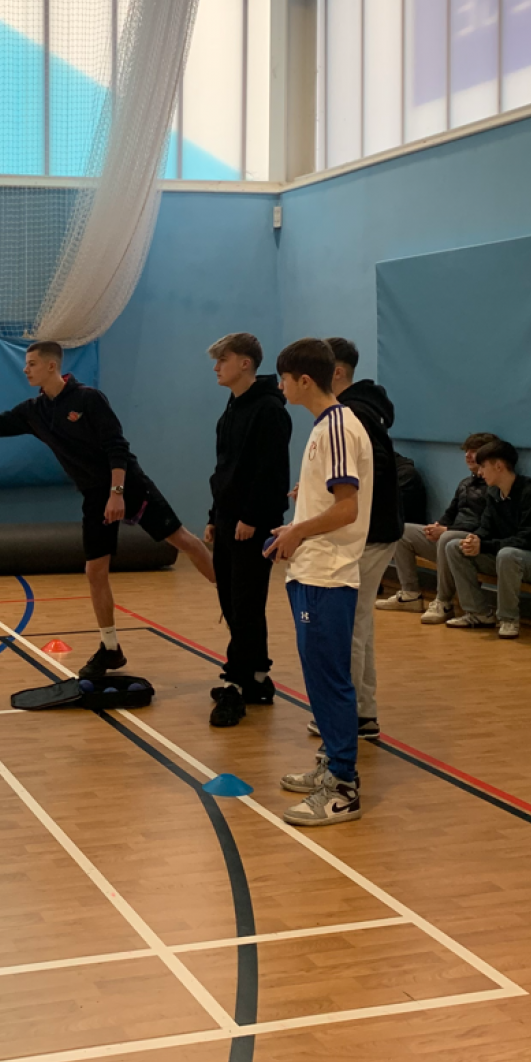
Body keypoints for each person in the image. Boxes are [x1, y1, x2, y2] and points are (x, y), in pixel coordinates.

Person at [0, 341, 216, 677]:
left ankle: (229, 595)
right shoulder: (33, 411)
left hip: (128, 485)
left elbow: (117, 447)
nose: (26, 369)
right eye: (26, 364)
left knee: (184, 541)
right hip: (94, 496)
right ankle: (110, 649)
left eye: (32, 364)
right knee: (95, 572)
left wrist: (117, 493)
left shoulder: (88, 399)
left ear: (52, 366)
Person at [265, 338, 372, 827]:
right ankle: (331, 762)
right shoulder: (324, 427)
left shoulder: (337, 428)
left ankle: (343, 788)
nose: (280, 385)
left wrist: (297, 530)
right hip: (311, 570)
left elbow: (347, 508)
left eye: (283, 377)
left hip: (328, 575)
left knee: (330, 680)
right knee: (318, 676)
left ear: (303, 380)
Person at [305, 337, 398, 744]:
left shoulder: (351, 417)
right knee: (359, 624)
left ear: (336, 372)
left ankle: (350, 717)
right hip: (372, 532)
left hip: (367, 535)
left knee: (349, 627)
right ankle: (363, 712)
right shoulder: (361, 413)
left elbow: (360, 484)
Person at [203, 333, 292, 729]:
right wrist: (213, 514)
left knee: (245, 602)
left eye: (223, 359)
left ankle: (236, 684)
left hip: (250, 524)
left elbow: (270, 471)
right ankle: (257, 676)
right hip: (227, 519)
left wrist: (252, 517)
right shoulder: (233, 407)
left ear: (245, 363)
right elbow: (226, 469)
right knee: (233, 601)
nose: (217, 367)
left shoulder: (270, 410)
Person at [443, 439, 531, 639]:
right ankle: (478, 613)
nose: (480, 472)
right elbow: (485, 527)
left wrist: (484, 545)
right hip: (506, 557)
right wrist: (474, 540)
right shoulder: (493, 494)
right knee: (454, 547)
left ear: (498, 466)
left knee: (508, 555)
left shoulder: (530, 493)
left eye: (483, 466)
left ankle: (509, 619)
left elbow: (527, 539)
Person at [377, 432, 499, 623]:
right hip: (448, 538)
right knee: (402, 530)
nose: (467, 455)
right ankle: (410, 594)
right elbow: (450, 513)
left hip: (470, 544)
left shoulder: (495, 487)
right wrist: (437, 526)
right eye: (466, 451)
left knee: (447, 538)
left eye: (473, 452)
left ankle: (443, 601)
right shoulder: (465, 483)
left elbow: (487, 524)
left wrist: (446, 531)